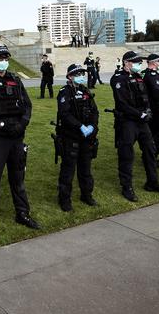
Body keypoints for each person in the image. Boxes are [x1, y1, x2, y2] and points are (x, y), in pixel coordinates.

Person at [0, 43, 39, 242]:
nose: (3, 61)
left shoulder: (14, 80)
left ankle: (22, 213)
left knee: (18, 178)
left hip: (17, 136)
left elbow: (27, 105)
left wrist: (22, 124)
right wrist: (0, 125)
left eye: (5, 57)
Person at [110, 51, 159, 202]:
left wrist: (148, 110)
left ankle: (152, 182)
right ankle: (127, 187)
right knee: (126, 154)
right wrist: (139, 114)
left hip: (142, 121)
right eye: (136, 62)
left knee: (150, 151)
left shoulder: (138, 77)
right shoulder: (118, 79)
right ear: (126, 63)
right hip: (128, 121)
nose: (139, 64)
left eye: (139, 62)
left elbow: (146, 98)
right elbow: (122, 103)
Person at [55, 64, 99, 211]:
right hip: (71, 136)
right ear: (70, 76)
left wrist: (92, 127)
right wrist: (80, 126)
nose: (81, 76)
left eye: (82, 73)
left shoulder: (85, 90)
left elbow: (94, 111)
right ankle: (64, 199)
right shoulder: (64, 92)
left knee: (85, 168)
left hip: (86, 137)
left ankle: (87, 195)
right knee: (68, 170)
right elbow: (65, 114)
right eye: (78, 74)